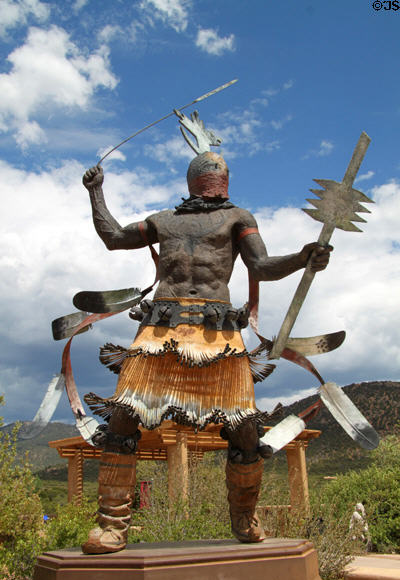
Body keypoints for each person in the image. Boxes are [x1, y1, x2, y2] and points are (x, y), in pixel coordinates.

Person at [80, 147, 331, 554]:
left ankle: (245, 517)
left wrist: (303, 258)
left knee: (244, 428)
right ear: (196, 179)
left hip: (218, 330)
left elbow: (262, 267)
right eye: (210, 171)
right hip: (161, 324)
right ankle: (112, 523)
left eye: (219, 171)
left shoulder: (238, 218)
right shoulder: (164, 221)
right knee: (125, 417)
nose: (214, 177)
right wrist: (96, 192)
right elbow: (113, 238)